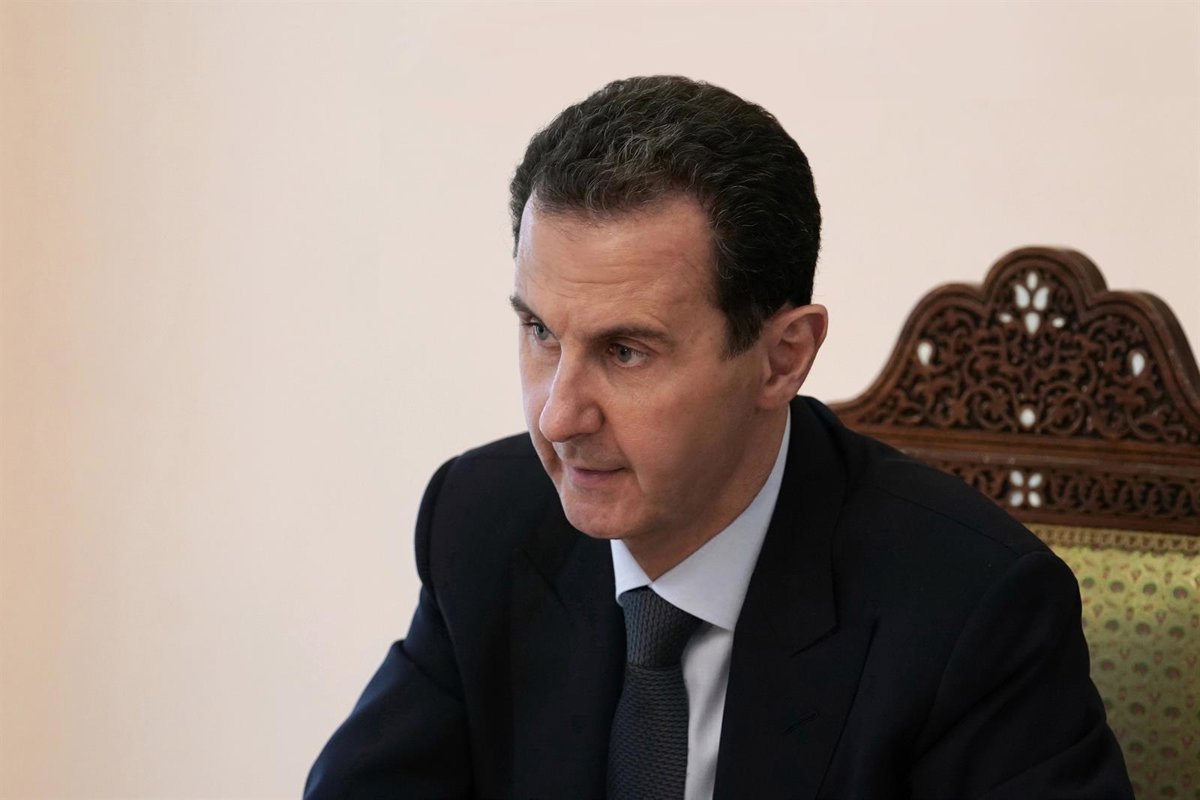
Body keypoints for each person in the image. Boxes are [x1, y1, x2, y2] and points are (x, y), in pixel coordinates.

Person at [304, 76, 1132, 799]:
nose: (558, 418)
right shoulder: (483, 523)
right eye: (541, 333)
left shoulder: (972, 610)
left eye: (626, 352)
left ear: (782, 358)